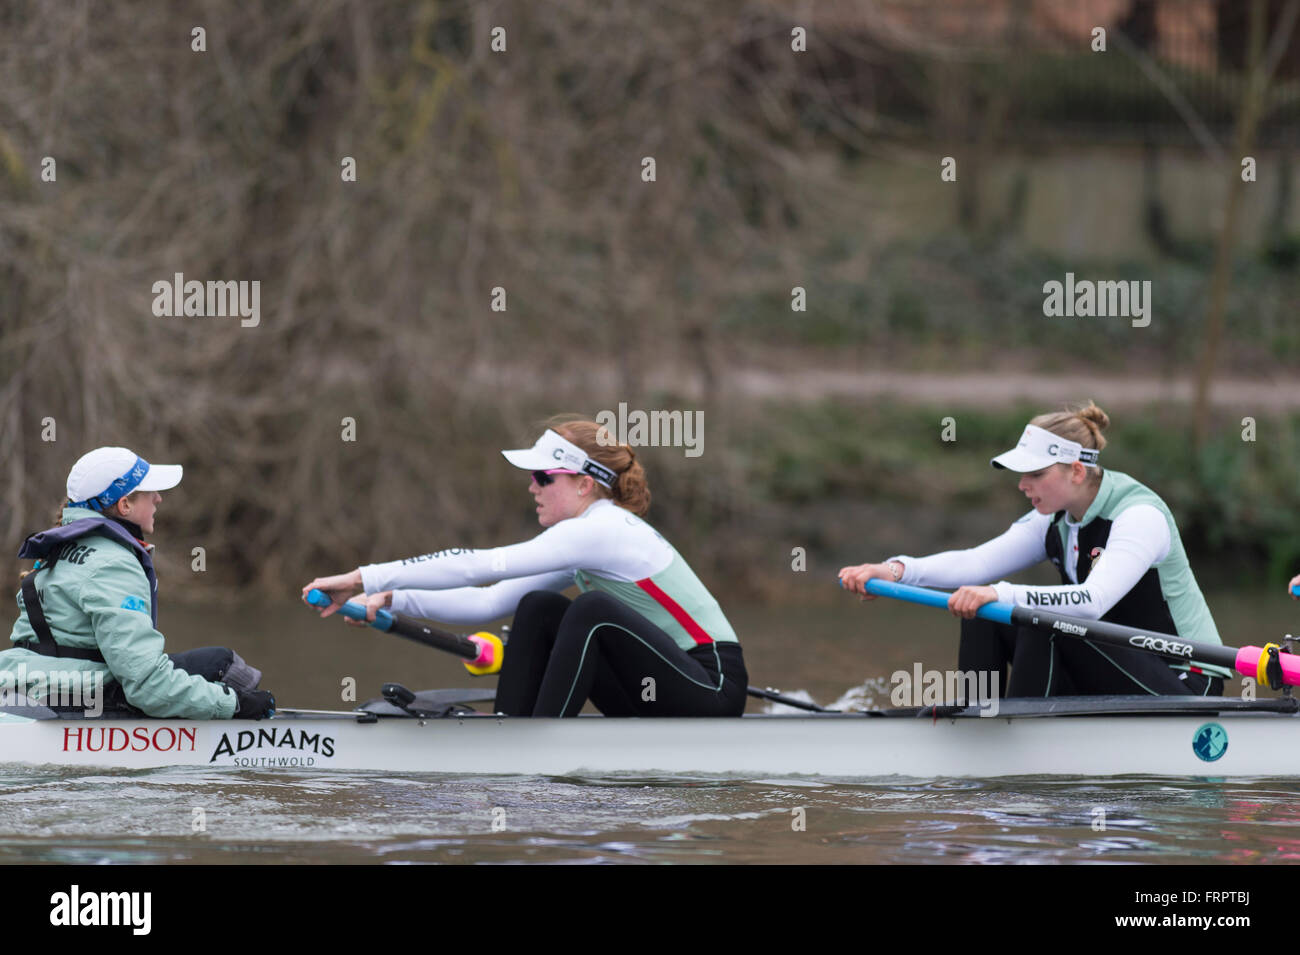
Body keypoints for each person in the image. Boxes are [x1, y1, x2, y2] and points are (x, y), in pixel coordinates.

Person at [303, 419, 748, 717]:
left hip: (712, 685)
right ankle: (511, 729)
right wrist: (392, 598)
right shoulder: (584, 540)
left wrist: (363, 577)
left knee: (590, 610)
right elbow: (489, 600)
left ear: (584, 484)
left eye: (542, 477)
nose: (531, 487)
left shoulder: (602, 529)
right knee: (538, 605)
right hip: (660, 683)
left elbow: (478, 566)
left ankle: (534, 743)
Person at [839, 403, 1229, 698]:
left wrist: (1003, 592)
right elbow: (977, 562)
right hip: (1119, 663)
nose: (1023, 485)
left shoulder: (1138, 516)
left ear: (1076, 470)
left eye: (1036, 474)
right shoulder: (1055, 518)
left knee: (1041, 618)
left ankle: (1017, 742)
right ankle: (978, 723)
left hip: (1184, 678)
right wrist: (893, 570)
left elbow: (1092, 602)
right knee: (985, 614)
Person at [3, 447, 274, 719]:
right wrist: (231, 704)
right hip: (69, 696)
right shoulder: (113, 563)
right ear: (125, 505)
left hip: (21, 683)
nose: (159, 498)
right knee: (224, 666)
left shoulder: (59, 546)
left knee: (213, 662)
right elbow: (146, 684)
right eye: (150, 492)